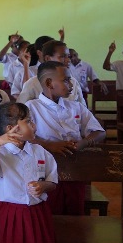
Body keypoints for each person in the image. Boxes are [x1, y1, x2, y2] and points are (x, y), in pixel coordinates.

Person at [0, 102, 59, 243]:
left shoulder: (40, 151)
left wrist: (43, 186)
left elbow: (53, 182)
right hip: (9, 216)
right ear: (11, 129)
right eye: (28, 121)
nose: (34, 126)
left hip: (36, 214)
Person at [25, 61, 106, 215]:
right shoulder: (31, 107)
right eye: (66, 80)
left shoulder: (76, 107)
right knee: (48, 213)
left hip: (74, 169)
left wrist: (84, 142)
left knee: (75, 212)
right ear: (49, 83)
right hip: (43, 173)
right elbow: (21, 138)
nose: (71, 84)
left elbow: (99, 132)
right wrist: (49, 144)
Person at [17, 40, 86, 106]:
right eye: (62, 56)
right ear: (47, 58)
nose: (68, 60)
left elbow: (83, 108)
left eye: (68, 56)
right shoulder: (32, 84)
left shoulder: (73, 82)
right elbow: (21, 111)